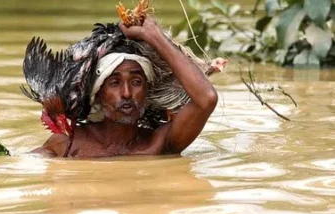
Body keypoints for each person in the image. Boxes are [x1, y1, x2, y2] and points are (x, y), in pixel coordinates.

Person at [32, 17, 218, 157]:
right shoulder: (67, 145)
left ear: (147, 91)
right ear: (97, 94)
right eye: (114, 83)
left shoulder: (159, 144)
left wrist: (153, 36)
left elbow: (206, 98)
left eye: (136, 82)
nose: (127, 93)